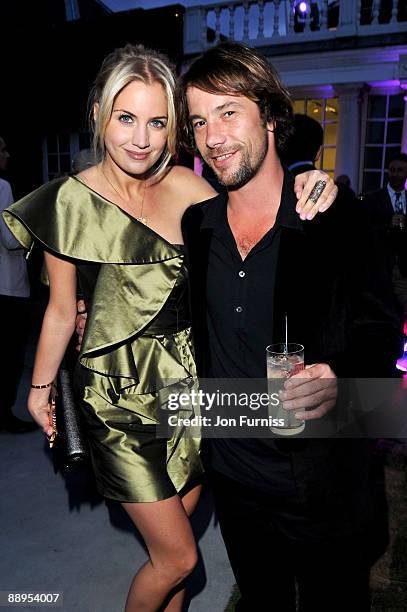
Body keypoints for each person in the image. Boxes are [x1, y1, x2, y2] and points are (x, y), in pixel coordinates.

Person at [3, 44, 336, 612]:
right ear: (99, 116)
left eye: (157, 121)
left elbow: (256, 208)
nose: (141, 138)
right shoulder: (69, 200)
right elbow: (61, 309)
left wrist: (316, 180)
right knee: (178, 558)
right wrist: (38, 391)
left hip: (191, 390)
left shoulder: (190, 186)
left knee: (173, 560)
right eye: (126, 118)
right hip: (115, 398)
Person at [176, 42, 402, 610]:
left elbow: (381, 330)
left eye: (229, 112)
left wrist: (341, 378)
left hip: (321, 483)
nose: (214, 137)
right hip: (233, 477)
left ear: (272, 117)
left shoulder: (335, 218)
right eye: (200, 121)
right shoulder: (196, 227)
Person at [0, 136, 36, 433]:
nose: (7, 154)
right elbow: (11, 240)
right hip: (8, 286)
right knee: (9, 354)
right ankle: (5, 413)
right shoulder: (2, 187)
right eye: (2, 150)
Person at [362, 153, 407, 320]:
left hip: (403, 271)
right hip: (379, 268)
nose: (395, 174)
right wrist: (387, 225)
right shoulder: (372, 199)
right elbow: (365, 232)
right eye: (392, 170)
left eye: (400, 170)